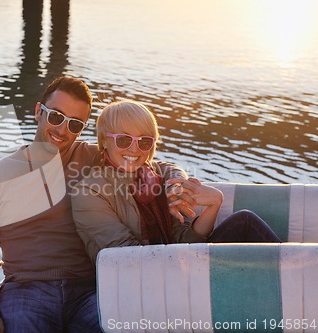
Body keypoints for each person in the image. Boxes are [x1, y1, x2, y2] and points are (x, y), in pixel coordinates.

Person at [0, 78, 195, 333]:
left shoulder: (94, 157)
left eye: (74, 124)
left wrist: (176, 184)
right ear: (39, 111)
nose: (62, 130)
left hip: (90, 290)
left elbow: (157, 166)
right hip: (27, 291)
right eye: (55, 117)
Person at [71, 99, 281, 266]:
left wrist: (213, 203)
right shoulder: (90, 192)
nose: (135, 150)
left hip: (177, 266)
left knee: (244, 222)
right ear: (104, 140)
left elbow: (185, 240)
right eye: (124, 140)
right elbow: (127, 255)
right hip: (137, 281)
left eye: (144, 141)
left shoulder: (155, 175)